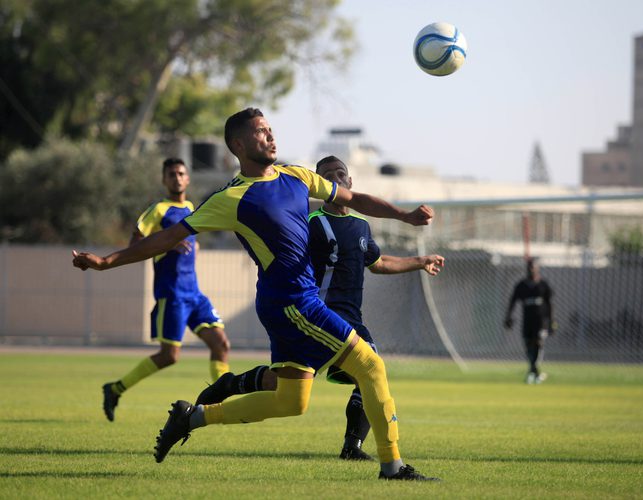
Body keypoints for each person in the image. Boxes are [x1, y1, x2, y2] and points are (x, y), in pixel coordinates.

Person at [72, 108, 438, 481]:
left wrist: (404, 217)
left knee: (290, 401)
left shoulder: (296, 176)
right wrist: (107, 261)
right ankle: (393, 467)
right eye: (261, 132)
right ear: (239, 144)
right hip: (294, 302)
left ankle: (192, 417)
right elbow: (168, 237)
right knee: (371, 365)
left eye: (270, 129)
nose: (270, 136)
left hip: (287, 302)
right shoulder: (231, 198)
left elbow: (355, 197)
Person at [194, 155, 445, 462]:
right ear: (321, 185)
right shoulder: (311, 224)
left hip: (350, 315)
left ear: (350, 182)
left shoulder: (361, 225)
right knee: (370, 367)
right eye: (328, 175)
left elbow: (377, 263)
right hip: (319, 313)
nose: (336, 178)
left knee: (290, 388)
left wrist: (420, 262)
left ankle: (231, 384)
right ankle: (366, 453)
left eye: (341, 173)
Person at [100, 158, 230, 422]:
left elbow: (191, 242)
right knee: (169, 356)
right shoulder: (158, 209)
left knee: (221, 344)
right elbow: (135, 243)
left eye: (181, 173)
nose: (177, 178)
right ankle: (115, 389)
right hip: (171, 294)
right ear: (164, 179)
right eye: (171, 174)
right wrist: (166, 244)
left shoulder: (192, 207)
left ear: (188, 179)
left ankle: (219, 405)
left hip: (194, 293)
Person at [504, 257, 555, 384]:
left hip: (540, 320)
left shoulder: (543, 285)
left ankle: (533, 372)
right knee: (528, 345)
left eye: (533, 267)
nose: (531, 269)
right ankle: (535, 372)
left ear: (537, 268)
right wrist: (508, 317)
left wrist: (551, 321)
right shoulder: (521, 285)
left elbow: (550, 304)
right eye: (529, 267)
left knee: (538, 343)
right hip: (527, 321)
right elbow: (513, 301)